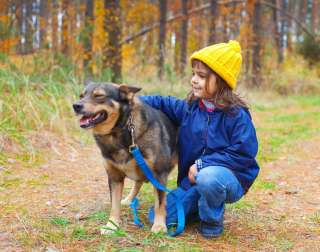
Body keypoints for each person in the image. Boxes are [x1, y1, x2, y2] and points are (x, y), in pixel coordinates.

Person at [140, 40, 260, 238]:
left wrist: (204, 164)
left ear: (221, 81)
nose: (194, 80)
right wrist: (131, 100)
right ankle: (199, 204)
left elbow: (244, 153)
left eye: (202, 76)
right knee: (158, 216)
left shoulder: (236, 115)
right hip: (192, 181)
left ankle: (211, 223)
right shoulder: (190, 108)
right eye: (194, 74)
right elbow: (163, 102)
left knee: (208, 178)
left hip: (229, 179)